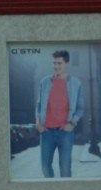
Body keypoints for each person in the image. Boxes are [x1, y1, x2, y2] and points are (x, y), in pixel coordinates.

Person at [35, 50, 84, 178]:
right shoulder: (45, 82)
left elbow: (80, 108)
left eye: (59, 63)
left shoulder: (76, 83)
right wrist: (38, 123)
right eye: (54, 63)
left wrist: (72, 123)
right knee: (45, 167)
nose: (56, 66)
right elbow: (39, 105)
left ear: (67, 63)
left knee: (65, 169)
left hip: (65, 133)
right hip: (47, 133)